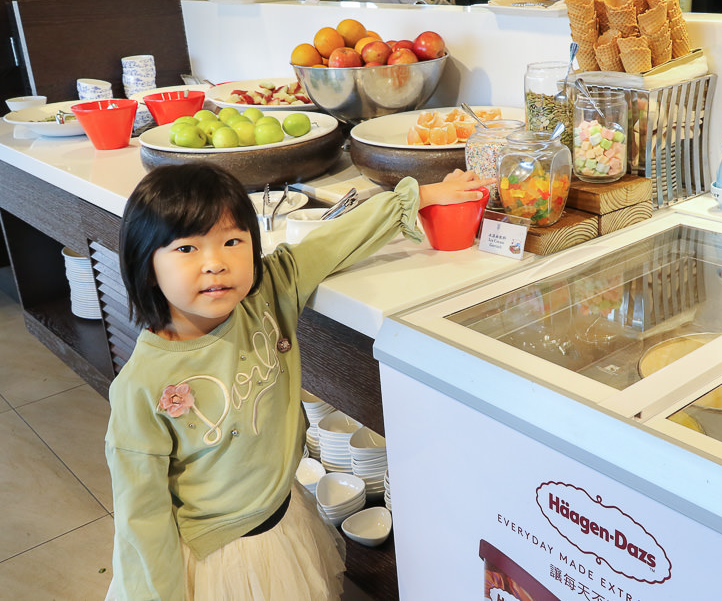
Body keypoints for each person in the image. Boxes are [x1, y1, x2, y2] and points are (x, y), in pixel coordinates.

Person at [104, 163, 491, 600]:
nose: (214, 264)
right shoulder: (142, 386)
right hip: (220, 559)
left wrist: (420, 196)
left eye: (232, 241)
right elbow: (142, 516)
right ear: (145, 263)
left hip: (284, 519)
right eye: (187, 249)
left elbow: (335, 241)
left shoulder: (267, 292)